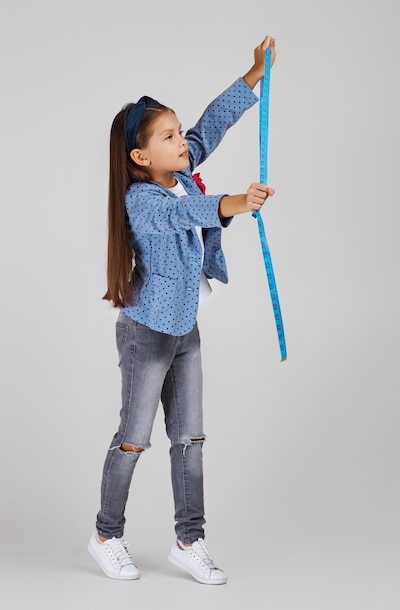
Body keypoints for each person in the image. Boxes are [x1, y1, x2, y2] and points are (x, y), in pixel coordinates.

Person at [88, 35, 276, 585]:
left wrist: (252, 75)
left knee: (190, 439)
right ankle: (106, 534)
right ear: (141, 157)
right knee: (133, 438)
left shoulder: (181, 170)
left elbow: (211, 125)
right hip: (147, 334)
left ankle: (189, 540)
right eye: (169, 138)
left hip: (184, 327)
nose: (183, 143)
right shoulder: (143, 200)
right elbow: (187, 213)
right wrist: (235, 203)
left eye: (178, 133)